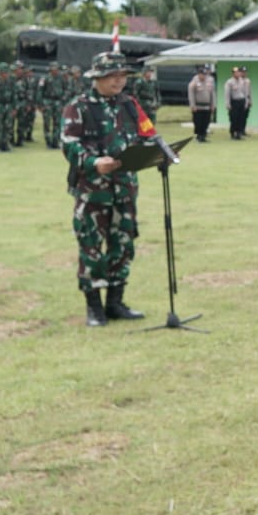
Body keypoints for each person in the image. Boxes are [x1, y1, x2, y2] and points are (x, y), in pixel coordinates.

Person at [61, 52, 148, 327]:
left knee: (122, 245)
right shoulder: (79, 107)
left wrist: (158, 153)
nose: (118, 81)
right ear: (97, 77)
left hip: (125, 188)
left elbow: (145, 135)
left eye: (122, 76)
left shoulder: (129, 105)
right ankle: (94, 308)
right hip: (93, 191)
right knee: (91, 247)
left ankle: (115, 302)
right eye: (112, 76)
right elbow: (69, 144)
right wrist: (93, 163)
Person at [188, 65, 217, 142]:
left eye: (205, 74)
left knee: (206, 122)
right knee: (198, 122)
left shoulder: (209, 81)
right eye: (202, 74)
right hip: (198, 106)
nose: (204, 76)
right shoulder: (194, 82)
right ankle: (198, 136)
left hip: (207, 106)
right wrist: (192, 105)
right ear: (199, 74)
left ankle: (203, 136)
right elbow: (191, 95)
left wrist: (213, 105)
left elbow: (212, 94)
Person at [224, 67, 247, 140]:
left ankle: (239, 133)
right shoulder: (229, 82)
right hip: (234, 102)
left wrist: (246, 102)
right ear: (233, 73)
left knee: (241, 118)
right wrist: (227, 103)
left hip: (241, 101)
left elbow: (245, 92)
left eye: (238, 72)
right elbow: (227, 94)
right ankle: (233, 133)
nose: (237, 73)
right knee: (234, 118)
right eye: (236, 72)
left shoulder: (242, 81)